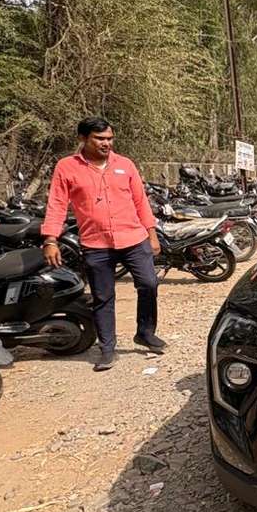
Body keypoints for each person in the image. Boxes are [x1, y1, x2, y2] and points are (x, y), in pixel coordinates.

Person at [41, 117, 166, 371]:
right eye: (99, 139)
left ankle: (145, 332)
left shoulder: (125, 165)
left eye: (109, 138)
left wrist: (151, 234)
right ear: (83, 139)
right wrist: (51, 239)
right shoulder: (66, 168)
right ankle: (107, 347)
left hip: (133, 238)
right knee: (103, 297)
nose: (106, 143)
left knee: (149, 283)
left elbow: (141, 201)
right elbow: (56, 204)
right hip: (96, 243)